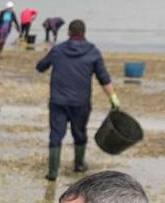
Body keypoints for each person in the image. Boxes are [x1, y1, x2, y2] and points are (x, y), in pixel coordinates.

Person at [36, 19, 118, 181]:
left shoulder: (58, 50)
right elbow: (104, 78)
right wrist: (113, 98)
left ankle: (52, 172)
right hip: (81, 102)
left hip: (58, 101)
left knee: (56, 134)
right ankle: (79, 164)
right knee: (79, 132)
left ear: (69, 32)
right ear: (84, 33)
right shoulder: (93, 52)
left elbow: (40, 67)